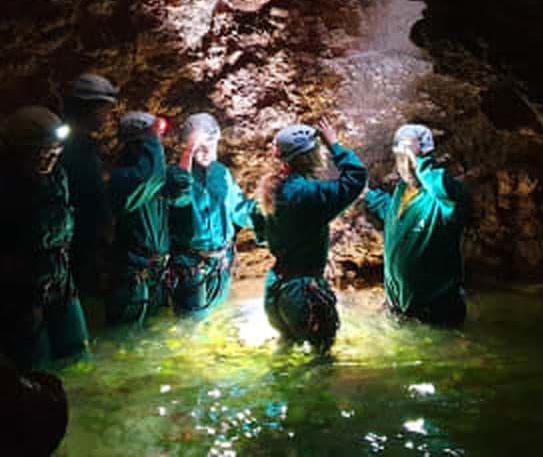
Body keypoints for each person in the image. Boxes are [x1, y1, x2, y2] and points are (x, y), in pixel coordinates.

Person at [0, 105, 89, 370]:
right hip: (24, 294)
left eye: (56, 151)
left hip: (61, 283)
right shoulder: (0, 189)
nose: (51, 157)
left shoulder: (57, 178)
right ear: (21, 151)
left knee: (78, 358)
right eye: (44, 151)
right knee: (36, 368)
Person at [257, 117, 367, 351]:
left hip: (275, 288)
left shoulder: (271, 190)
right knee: (322, 358)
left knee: (285, 349)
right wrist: (335, 145)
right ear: (310, 156)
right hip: (303, 292)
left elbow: (260, 233)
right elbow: (355, 179)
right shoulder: (308, 194)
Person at [365, 124, 471, 327]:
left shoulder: (445, 199)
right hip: (402, 308)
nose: (408, 165)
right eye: (403, 159)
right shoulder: (402, 190)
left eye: (412, 160)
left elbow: (450, 194)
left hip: (437, 313)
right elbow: (395, 217)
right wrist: (367, 195)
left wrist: (420, 161)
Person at [165, 113, 259, 317]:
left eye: (210, 143)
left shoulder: (222, 173)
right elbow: (178, 195)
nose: (206, 150)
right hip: (191, 266)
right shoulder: (175, 175)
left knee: (217, 316)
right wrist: (190, 150)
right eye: (200, 146)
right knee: (191, 325)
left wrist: (273, 218)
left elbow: (239, 209)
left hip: (221, 262)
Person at [106, 111, 170, 327]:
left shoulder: (153, 180)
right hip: (132, 274)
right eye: (153, 140)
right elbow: (149, 176)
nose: (160, 143)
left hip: (155, 271)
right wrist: (152, 139)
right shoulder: (122, 179)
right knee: (124, 339)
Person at [60, 73, 118, 295]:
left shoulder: (82, 145)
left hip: (81, 240)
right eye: (105, 110)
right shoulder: (72, 148)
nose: (108, 117)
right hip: (75, 243)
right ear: (89, 107)